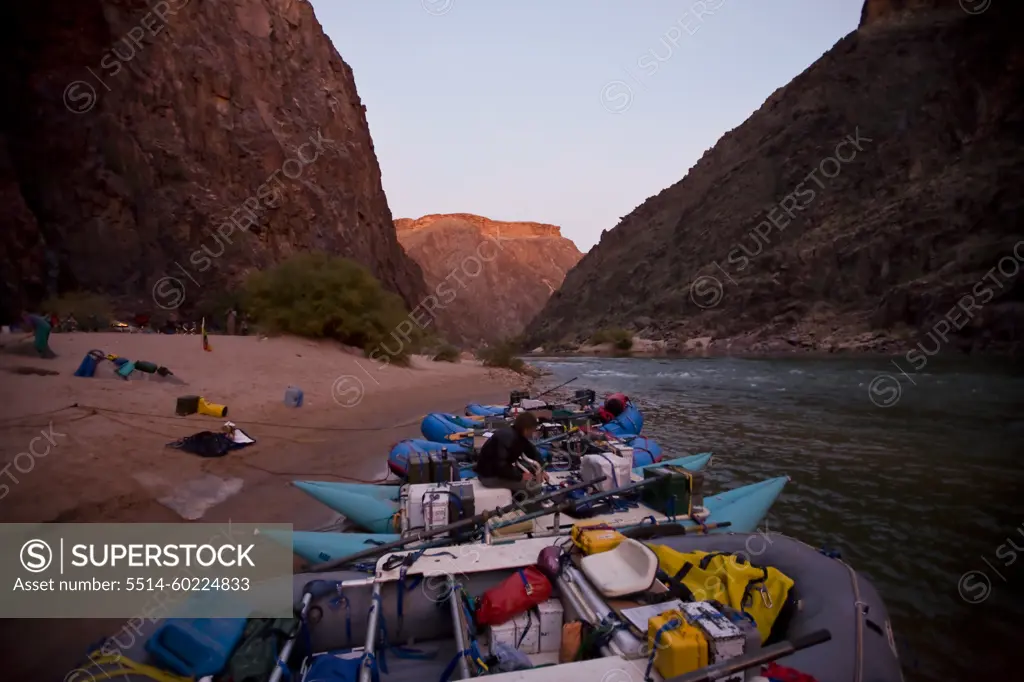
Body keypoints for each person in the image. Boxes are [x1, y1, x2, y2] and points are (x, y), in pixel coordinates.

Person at [475, 412, 550, 509]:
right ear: (526, 430)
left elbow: (531, 451)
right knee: (534, 486)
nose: (533, 434)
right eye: (532, 431)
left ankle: (519, 501)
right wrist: (520, 476)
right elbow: (500, 466)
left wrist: (542, 468)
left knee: (529, 476)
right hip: (489, 477)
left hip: (495, 472)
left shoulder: (515, 434)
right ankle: (531, 512)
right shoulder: (510, 439)